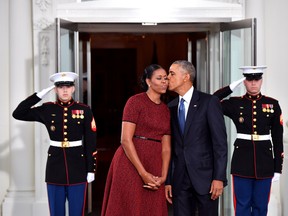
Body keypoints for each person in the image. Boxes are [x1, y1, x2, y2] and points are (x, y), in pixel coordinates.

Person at [12, 72, 97, 216]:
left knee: (77, 212)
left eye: (68, 86)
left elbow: (91, 140)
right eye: (60, 87)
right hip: (55, 168)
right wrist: (39, 95)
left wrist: (91, 169)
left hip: (78, 167)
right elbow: (18, 113)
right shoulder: (47, 109)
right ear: (55, 89)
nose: (65, 90)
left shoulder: (84, 110)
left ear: (73, 89)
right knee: (56, 212)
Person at [101, 64, 171, 216]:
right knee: (128, 207)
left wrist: (164, 176)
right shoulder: (135, 102)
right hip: (130, 163)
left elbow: (166, 147)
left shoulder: (166, 110)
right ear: (148, 81)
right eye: (159, 78)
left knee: (152, 208)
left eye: (166, 78)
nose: (164, 81)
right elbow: (125, 140)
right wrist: (143, 173)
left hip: (155, 164)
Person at [213, 66, 284, 216]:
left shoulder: (273, 104)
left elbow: (278, 138)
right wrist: (231, 87)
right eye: (249, 80)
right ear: (244, 82)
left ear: (261, 81)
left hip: (265, 163)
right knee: (242, 206)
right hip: (241, 162)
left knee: (260, 206)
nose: (253, 83)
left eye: (257, 79)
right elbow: (212, 101)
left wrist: (278, 167)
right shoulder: (234, 103)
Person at [165, 60, 228, 216]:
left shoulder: (209, 102)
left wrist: (219, 178)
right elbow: (171, 147)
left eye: (172, 74)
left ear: (186, 77)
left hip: (206, 180)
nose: (167, 77)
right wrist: (168, 181)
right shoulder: (170, 107)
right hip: (180, 181)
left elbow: (220, 144)